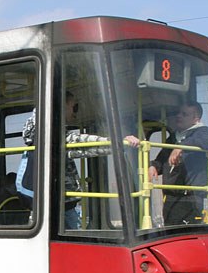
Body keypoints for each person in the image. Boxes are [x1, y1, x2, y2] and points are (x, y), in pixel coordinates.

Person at [22, 91, 140, 229]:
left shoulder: (40, 135)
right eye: (74, 107)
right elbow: (84, 144)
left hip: (46, 204)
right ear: (61, 106)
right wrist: (119, 143)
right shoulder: (53, 136)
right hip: (61, 205)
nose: (75, 113)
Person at [148, 101, 208, 225]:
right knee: (170, 227)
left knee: (184, 230)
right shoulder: (175, 137)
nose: (178, 116)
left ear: (195, 118)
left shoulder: (201, 132)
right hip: (171, 196)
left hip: (190, 197)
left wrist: (181, 147)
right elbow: (163, 157)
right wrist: (154, 166)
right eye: (178, 113)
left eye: (184, 114)